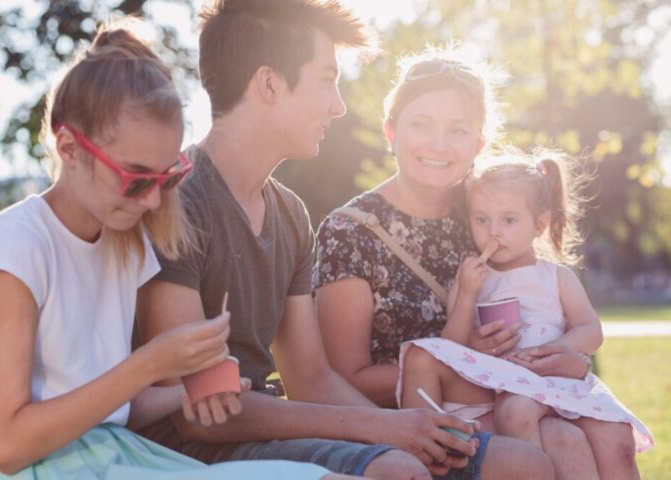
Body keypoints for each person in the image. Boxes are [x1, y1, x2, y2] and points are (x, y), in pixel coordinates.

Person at [136, 1, 555, 479]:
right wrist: (383, 429)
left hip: (267, 431)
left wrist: (397, 425)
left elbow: (311, 379)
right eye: (326, 79)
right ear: (269, 84)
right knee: (399, 469)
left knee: (522, 464)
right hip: (191, 450)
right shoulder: (177, 204)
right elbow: (197, 411)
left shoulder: (289, 213)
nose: (338, 105)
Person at [0, 20, 347, 480]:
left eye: (168, 178)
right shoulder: (17, 246)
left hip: (119, 455)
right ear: (68, 148)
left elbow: (116, 410)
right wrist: (149, 364)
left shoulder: (121, 243)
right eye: (137, 178)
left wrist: (190, 389)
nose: (154, 201)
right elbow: (8, 446)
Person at [314, 46, 607, 479]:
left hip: (516, 407)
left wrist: (568, 360)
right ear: (390, 132)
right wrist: (467, 359)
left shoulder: (489, 214)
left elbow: (548, 309)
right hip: (409, 432)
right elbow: (345, 378)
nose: (439, 144)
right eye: (420, 124)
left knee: (577, 440)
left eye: (458, 129)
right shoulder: (350, 232)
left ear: (479, 143)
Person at [398, 150, 653, 479]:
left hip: (559, 376)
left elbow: (591, 328)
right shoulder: (471, 275)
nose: (493, 232)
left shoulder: (555, 275)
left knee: (616, 437)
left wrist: (562, 349)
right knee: (517, 413)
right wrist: (467, 295)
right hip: (512, 384)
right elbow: (452, 347)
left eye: (508, 219)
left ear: (540, 224)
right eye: (481, 219)